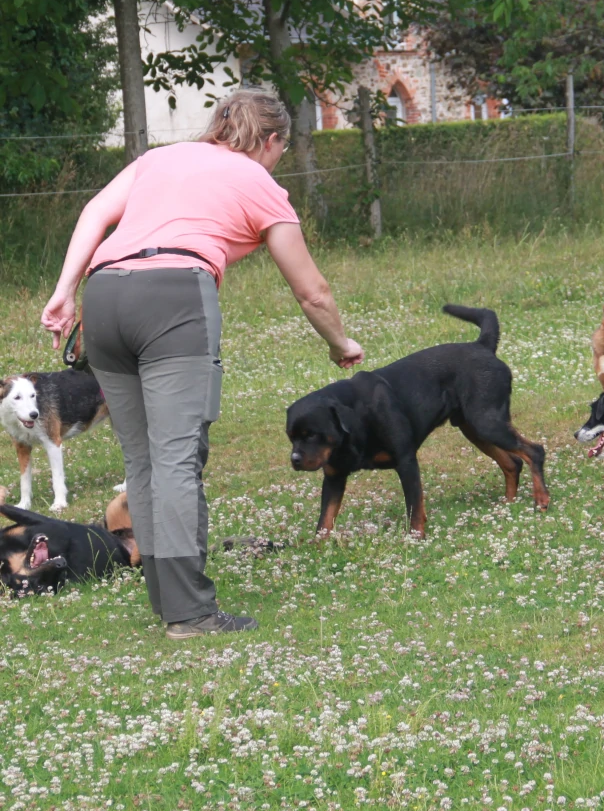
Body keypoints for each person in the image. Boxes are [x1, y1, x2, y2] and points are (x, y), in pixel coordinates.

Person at [41, 90, 363, 638]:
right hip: (173, 297)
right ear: (272, 140)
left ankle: (169, 603)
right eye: (280, 149)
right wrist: (341, 343)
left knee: (142, 460)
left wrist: (65, 290)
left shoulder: (160, 158)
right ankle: (191, 614)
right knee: (176, 456)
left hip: (105, 295)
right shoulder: (261, 181)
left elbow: (95, 211)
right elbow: (312, 290)